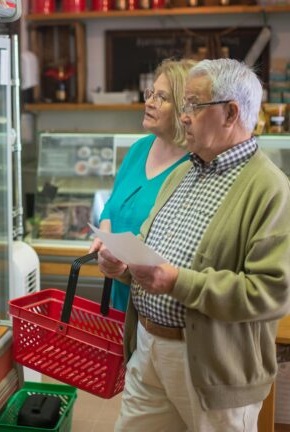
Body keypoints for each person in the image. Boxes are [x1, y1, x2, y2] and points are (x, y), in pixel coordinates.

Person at [97, 58, 290, 431]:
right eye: (183, 105)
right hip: (148, 348)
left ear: (231, 113)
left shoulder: (271, 190)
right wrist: (122, 266)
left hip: (213, 368)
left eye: (193, 106)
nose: (184, 116)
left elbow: (270, 293)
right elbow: (149, 244)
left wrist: (176, 282)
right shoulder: (185, 170)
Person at [89, 58, 195, 311]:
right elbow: (112, 207)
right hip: (121, 300)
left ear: (185, 108)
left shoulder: (195, 165)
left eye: (162, 97)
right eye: (151, 93)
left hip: (160, 306)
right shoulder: (139, 149)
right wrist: (106, 244)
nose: (149, 102)